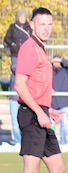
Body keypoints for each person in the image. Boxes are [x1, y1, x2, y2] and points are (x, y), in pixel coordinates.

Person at [9, 8, 68, 173]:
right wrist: (39, 111)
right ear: (32, 25)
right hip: (31, 116)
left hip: (41, 114)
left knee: (57, 168)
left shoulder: (41, 49)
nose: (46, 28)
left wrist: (48, 109)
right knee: (31, 170)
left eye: (49, 24)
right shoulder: (28, 47)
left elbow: (36, 87)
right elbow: (20, 86)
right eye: (41, 23)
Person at [5, 9, 31, 145]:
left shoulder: (28, 28)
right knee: (16, 73)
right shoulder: (13, 27)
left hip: (25, 56)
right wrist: (13, 45)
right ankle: (15, 91)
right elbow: (6, 38)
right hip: (16, 55)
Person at [50, 54, 68, 146]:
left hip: (63, 102)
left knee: (64, 124)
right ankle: (52, 143)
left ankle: (63, 143)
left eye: (57, 62)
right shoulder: (49, 71)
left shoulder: (65, 70)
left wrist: (62, 60)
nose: (55, 63)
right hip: (52, 102)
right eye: (54, 61)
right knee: (52, 125)